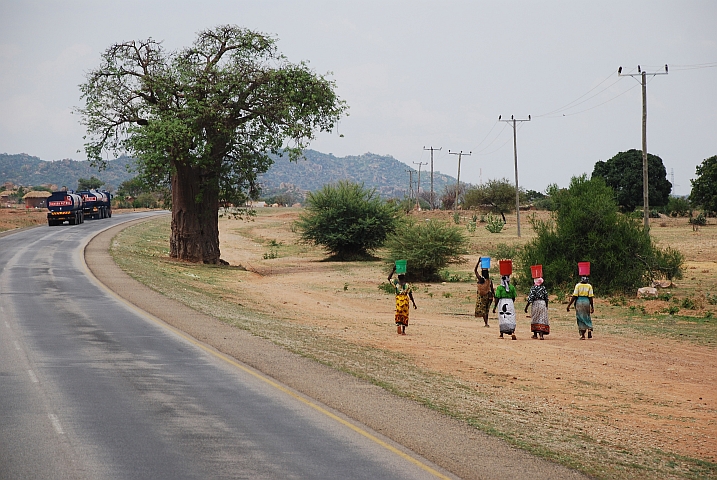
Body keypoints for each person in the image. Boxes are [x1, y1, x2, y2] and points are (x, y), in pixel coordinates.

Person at [388, 266, 417, 335]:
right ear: (404, 278)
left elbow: (389, 278)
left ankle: (398, 325)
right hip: (405, 301)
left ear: (398, 278)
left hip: (398, 300)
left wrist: (393, 270)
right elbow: (410, 294)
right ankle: (403, 331)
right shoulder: (407, 285)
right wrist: (413, 303)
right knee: (405, 314)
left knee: (398, 313)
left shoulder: (396, 284)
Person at [493, 274, 517, 339]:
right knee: (511, 317)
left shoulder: (499, 288)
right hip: (510, 303)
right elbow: (514, 297)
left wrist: (495, 307)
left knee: (502, 317)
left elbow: (497, 297)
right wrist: (510, 303)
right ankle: (512, 332)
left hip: (502, 303)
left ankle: (501, 334)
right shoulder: (512, 287)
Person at [474, 258, 495, 327]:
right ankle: (486, 322)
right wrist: (493, 296)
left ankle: (486, 323)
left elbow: (475, 271)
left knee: (482, 310)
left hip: (482, 296)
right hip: (488, 296)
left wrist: (478, 262)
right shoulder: (489, 281)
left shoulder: (481, 279)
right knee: (486, 310)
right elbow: (492, 289)